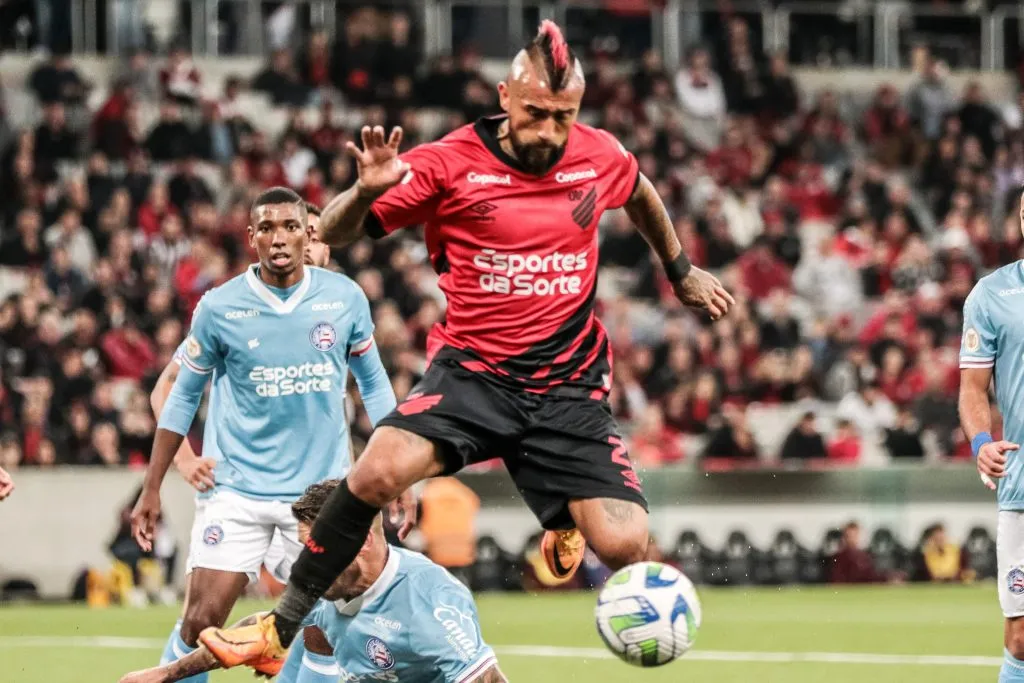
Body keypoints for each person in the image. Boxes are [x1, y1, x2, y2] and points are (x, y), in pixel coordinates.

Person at [198, 20, 733, 674]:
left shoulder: (599, 154)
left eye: (562, 117)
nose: (548, 129)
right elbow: (336, 231)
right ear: (506, 95)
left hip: (568, 386)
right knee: (374, 473)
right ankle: (279, 629)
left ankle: (562, 510)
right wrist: (365, 190)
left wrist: (680, 271)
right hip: (474, 376)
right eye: (535, 112)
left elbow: (641, 191)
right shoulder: (449, 164)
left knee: (625, 544)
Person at [131, 190, 400, 683]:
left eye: (291, 227)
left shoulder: (344, 300)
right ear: (251, 238)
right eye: (268, 228)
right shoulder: (219, 307)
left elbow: (375, 386)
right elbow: (178, 395)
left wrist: (397, 476)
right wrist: (155, 486)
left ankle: (288, 657)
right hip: (237, 490)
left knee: (328, 624)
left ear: (308, 235)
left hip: (319, 498)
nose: (280, 238)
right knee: (200, 623)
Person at [118, 479, 506, 683]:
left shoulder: (427, 605)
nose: (307, 560)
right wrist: (165, 673)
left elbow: (486, 679)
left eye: (318, 547)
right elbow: (259, 631)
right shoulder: (329, 584)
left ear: (362, 541)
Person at [959, 189, 1024, 683]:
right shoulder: (991, 295)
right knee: (1021, 637)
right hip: (1022, 486)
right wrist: (982, 444)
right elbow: (972, 390)